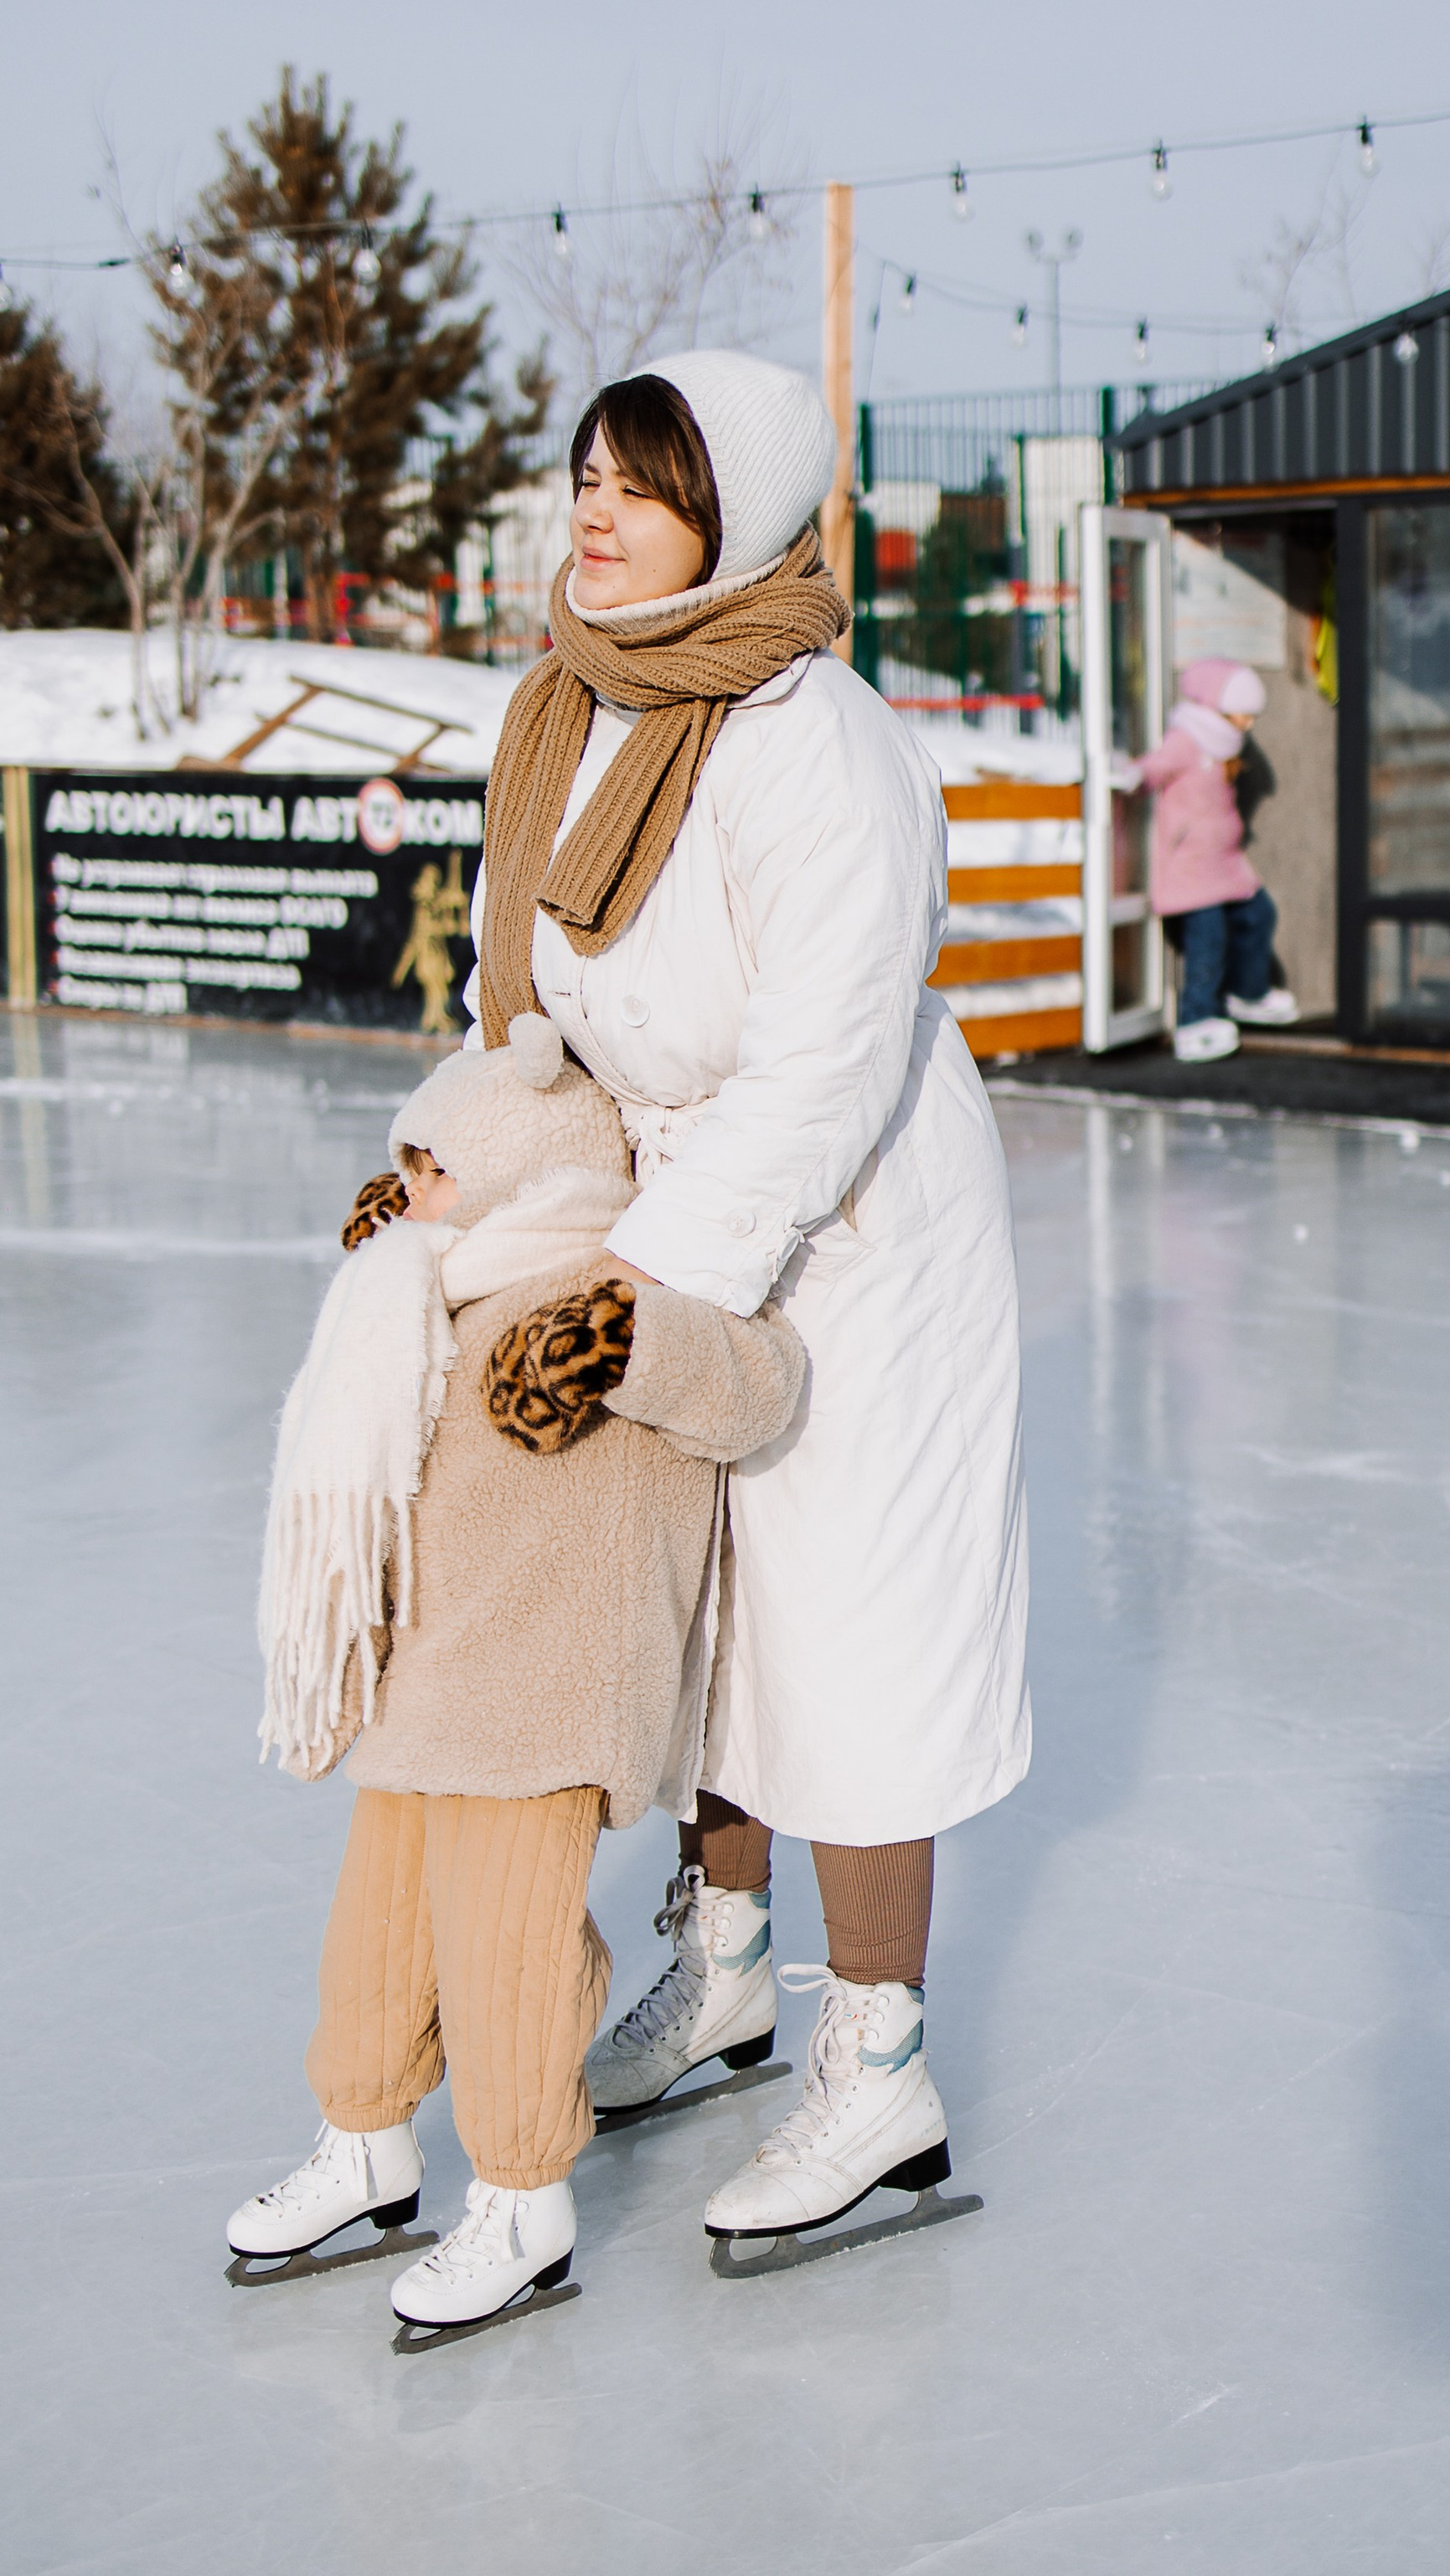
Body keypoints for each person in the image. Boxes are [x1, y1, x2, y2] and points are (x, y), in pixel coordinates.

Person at [450, 348, 1030, 2243]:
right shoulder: (575, 708)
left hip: (847, 1227)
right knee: (702, 1616)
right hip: (672, 1201)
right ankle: (718, 1966)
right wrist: (477, 1187)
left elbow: (812, 1078)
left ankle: (876, 2063)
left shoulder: (818, 741)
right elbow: (547, 1011)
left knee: (845, 1630)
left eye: (644, 481)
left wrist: (628, 1299)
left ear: (742, 516)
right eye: (584, 474)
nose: (593, 510)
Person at [230, 1013, 804, 2328]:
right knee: (376, 1936)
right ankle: (364, 2138)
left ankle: (519, 2196)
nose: (412, 1189)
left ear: (522, 1155)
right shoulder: (433, 1285)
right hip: (433, 1675)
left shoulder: (623, 1275)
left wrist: (624, 1345)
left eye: (434, 1164)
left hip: (547, 1688)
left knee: (506, 1948)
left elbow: (758, 1382)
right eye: (412, 1163)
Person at [1134, 656, 1299, 1064]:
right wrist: (1129, 776)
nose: (1248, 723)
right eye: (1243, 714)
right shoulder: (1188, 739)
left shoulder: (1226, 743)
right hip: (1190, 866)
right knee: (1207, 940)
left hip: (1224, 861)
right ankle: (1196, 1019)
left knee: (1258, 914)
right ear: (1218, 708)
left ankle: (1248, 990)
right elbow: (1155, 769)